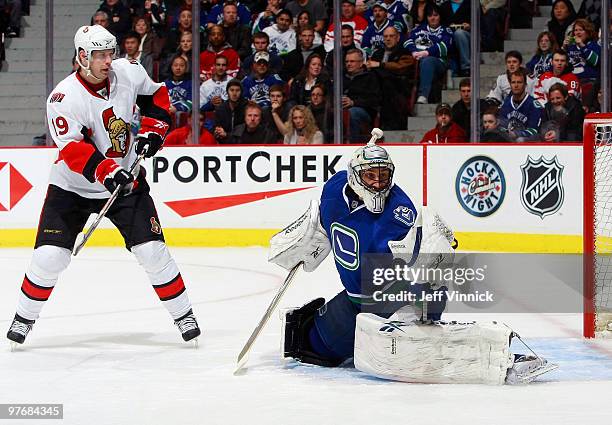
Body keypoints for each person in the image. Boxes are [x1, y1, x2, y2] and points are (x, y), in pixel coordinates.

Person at [6, 25, 201, 346]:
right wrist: (108, 170)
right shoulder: (64, 97)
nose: (108, 61)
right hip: (73, 188)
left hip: (127, 185)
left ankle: (184, 315)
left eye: (110, 53)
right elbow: (72, 149)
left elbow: (156, 96)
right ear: (82, 57)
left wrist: (154, 129)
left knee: (153, 251)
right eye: (99, 55)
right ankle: (24, 318)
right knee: (49, 258)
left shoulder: (128, 72)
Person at [366, 26, 414, 131]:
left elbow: (401, 67)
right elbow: (371, 67)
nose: (388, 39)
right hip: (378, 88)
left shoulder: (404, 52)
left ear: (398, 38)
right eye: (386, 36)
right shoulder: (377, 53)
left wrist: (380, 65)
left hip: (398, 87)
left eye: (391, 36)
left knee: (387, 84)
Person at [404, 3, 453, 104]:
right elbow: (407, 42)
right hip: (416, 59)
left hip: (438, 62)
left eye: (435, 15)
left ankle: (423, 95)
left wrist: (427, 52)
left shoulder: (446, 30)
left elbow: (445, 47)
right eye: (430, 15)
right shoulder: (418, 29)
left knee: (427, 61)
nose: (433, 18)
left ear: (440, 16)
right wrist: (413, 51)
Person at [343, 48, 382, 142]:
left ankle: (353, 145)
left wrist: (353, 102)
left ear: (361, 63)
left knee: (353, 112)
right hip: (342, 108)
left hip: (365, 111)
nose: (348, 64)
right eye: (347, 61)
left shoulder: (370, 77)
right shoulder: (341, 78)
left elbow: (375, 99)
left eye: (352, 61)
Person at [499, 69, 543, 142]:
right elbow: (501, 126)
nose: (516, 85)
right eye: (513, 82)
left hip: (530, 140)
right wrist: (506, 132)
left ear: (525, 84)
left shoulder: (533, 104)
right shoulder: (506, 103)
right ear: (510, 84)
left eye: (519, 82)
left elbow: (534, 130)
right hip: (510, 137)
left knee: (520, 140)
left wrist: (516, 134)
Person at [564, 18, 601, 82]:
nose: (578, 32)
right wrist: (563, 48)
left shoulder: (594, 45)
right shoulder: (571, 47)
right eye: (575, 30)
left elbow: (595, 62)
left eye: (581, 30)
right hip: (572, 80)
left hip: (590, 80)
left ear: (587, 32)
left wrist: (582, 45)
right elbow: (561, 64)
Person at [440, 0, 471, 77]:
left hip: (469, 36)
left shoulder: (471, 3)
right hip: (449, 36)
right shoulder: (444, 6)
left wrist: (470, 25)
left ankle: (466, 68)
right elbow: (440, 25)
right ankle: (452, 71)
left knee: (459, 33)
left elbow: (481, 21)